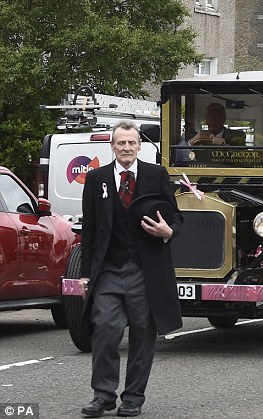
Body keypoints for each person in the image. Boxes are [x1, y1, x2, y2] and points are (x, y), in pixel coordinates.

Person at [79, 121, 183, 418]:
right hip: (108, 270)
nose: (126, 148)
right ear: (112, 146)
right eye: (121, 143)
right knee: (106, 329)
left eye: (131, 143)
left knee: (142, 333)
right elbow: (90, 230)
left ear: (140, 146)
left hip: (146, 271)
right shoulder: (96, 178)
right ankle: (103, 395)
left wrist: (168, 231)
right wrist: (86, 273)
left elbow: (177, 219)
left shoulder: (156, 175)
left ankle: (133, 398)